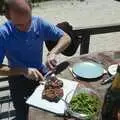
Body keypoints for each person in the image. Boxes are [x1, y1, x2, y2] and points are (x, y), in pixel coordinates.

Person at [0, 0, 71, 120]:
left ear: (31, 8)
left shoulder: (39, 22)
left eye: (29, 20)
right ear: (8, 17)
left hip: (40, 72)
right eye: (20, 25)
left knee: (49, 109)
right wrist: (24, 71)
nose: (27, 27)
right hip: (17, 76)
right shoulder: (3, 34)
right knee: (23, 113)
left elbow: (66, 38)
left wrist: (53, 53)